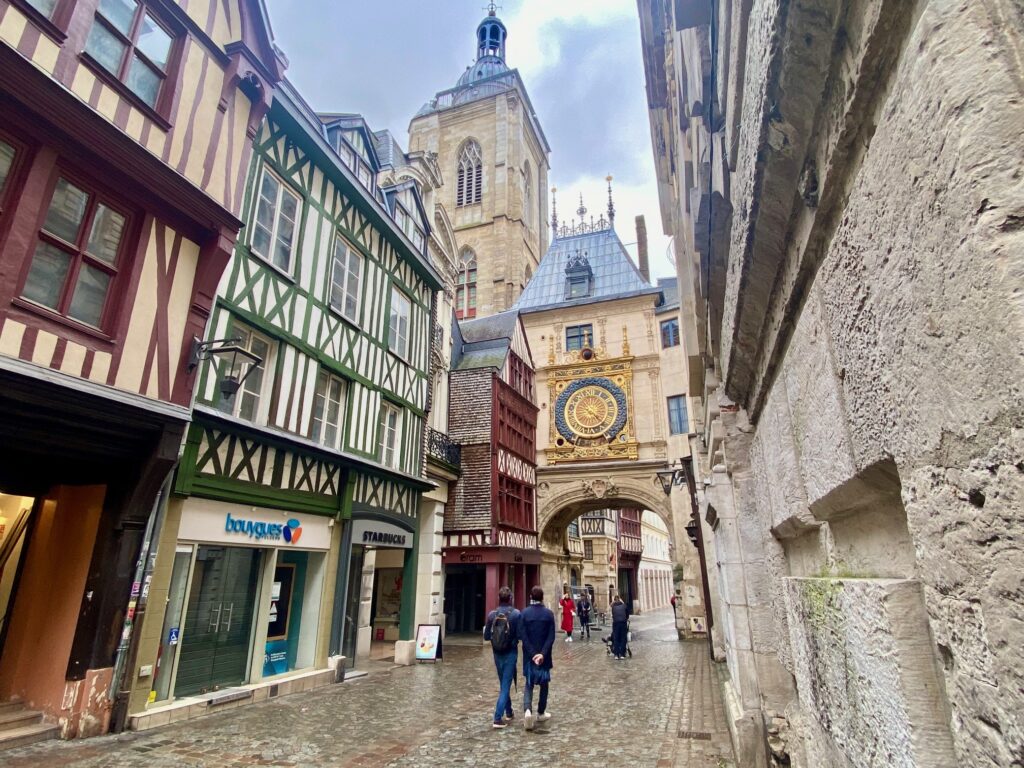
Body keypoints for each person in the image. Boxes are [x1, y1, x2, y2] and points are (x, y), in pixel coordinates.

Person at [483, 586, 521, 728]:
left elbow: (487, 636)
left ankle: (509, 711)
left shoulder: (492, 615)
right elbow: (520, 635)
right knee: (505, 686)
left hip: (496, 653)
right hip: (510, 653)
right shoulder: (516, 614)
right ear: (510, 598)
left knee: (504, 683)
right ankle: (497, 718)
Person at [521, 585, 555, 731]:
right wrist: (542, 653)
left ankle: (528, 710)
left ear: (530, 597)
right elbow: (551, 636)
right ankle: (541, 712)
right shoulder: (548, 614)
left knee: (529, 683)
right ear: (542, 598)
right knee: (544, 684)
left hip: (529, 656)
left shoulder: (524, 613)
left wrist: (532, 653)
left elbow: (523, 636)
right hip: (544, 657)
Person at [610, 593, 629, 659]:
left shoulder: (613, 607)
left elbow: (611, 606)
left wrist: (614, 601)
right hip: (623, 623)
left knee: (616, 638)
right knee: (623, 638)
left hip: (616, 624)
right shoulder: (624, 605)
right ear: (620, 600)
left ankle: (616, 655)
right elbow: (627, 615)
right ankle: (622, 654)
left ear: (615, 600)